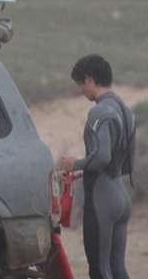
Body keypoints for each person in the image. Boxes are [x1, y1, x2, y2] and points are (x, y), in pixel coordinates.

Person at [59, 55, 135, 279]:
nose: (82, 91)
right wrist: (87, 170)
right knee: (118, 268)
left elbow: (102, 157)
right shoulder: (126, 110)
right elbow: (125, 161)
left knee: (100, 270)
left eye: (81, 85)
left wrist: (75, 164)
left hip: (102, 199)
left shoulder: (99, 112)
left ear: (90, 80)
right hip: (121, 195)